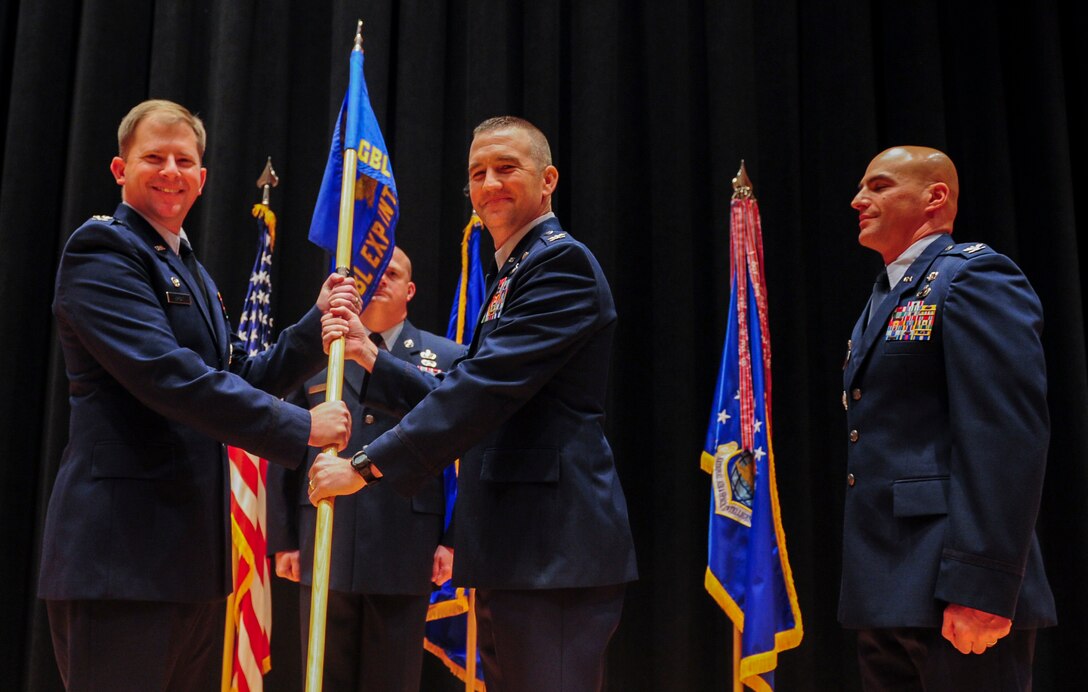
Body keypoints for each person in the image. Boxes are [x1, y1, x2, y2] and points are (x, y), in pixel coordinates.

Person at [309, 116, 638, 691]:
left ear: (548, 179)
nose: (489, 185)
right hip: (519, 550)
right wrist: (371, 358)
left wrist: (364, 466)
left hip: (551, 550)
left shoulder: (560, 264)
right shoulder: (514, 268)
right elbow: (472, 387)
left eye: (506, 168)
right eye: (477, 173)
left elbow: (483, 390)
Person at [38, 99, 355, 690]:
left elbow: (239, 376)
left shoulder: (191, 270)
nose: (170, 171)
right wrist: (300, 428)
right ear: (119, 169)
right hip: (120, 561)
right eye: (153, 158)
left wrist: (316, 326)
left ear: (203, 178)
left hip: (187, 564)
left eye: (184, 160)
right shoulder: (102, 252)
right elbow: (170, 378)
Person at [840, 146, 1056, 690]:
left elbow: (1006, 443)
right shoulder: (884, 295)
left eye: (880, 186)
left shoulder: (972, 277)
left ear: (935, 197)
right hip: (889, 588)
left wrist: (982, 588)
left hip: (953, 587)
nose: (858, 200)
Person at [267, 246, 462, 692]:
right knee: (323, 677)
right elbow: (287, 447)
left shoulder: (446, 357)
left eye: (390, 274)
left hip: (405, 543)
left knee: (391, 679)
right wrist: (283, 539)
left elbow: (460, 453)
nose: (378, 281)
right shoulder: (318, 353)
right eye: (369, 274)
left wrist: (451, 541)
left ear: (410, 290)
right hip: (324, 536)